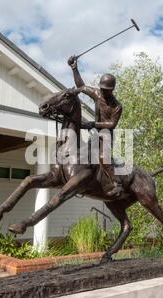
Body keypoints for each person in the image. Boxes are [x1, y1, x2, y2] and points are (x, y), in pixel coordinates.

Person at [68, 55, 123, 197]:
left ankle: (116, 183)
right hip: (96, 134)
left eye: (106, 90)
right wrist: (74, 68)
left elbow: (112, 124)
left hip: (106, 136)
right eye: (102, 89)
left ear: (112, 90)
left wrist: (93, 124)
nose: (103, 92)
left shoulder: (117, 106)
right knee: (81, 154)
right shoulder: (97, 94)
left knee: (103, 159)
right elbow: (81, 86)